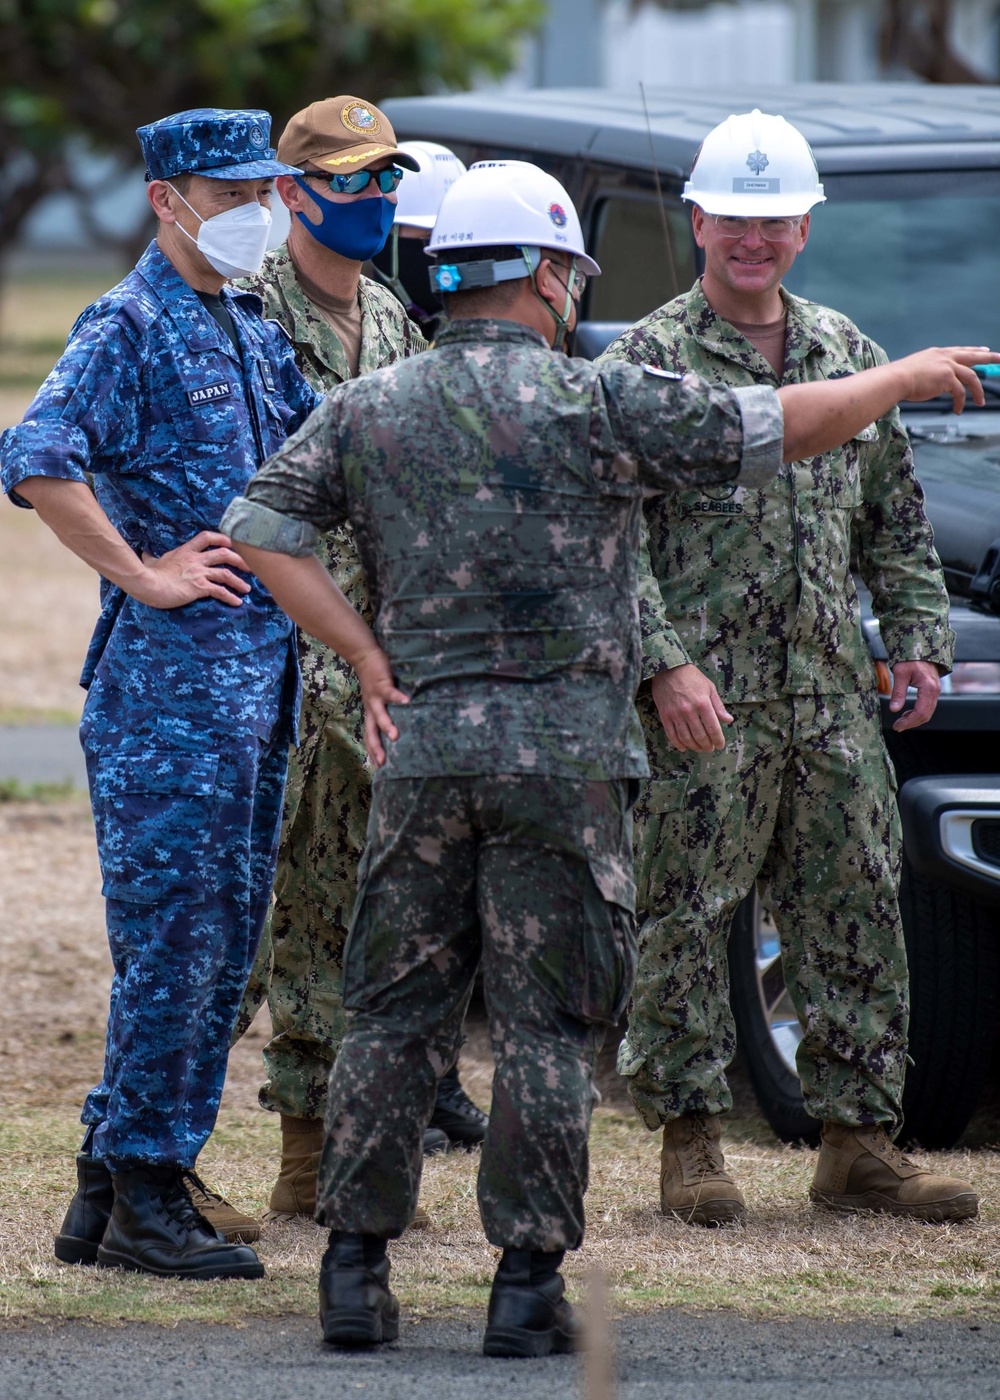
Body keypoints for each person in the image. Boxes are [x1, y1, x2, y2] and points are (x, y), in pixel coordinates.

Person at [219, 159, 990, 1351]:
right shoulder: (599, 400)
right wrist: (894, 376)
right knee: (545, 1025)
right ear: (541, 274)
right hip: (568, 763)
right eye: (570, 273)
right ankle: (524, 1287)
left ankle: (354, 1275)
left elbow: (260, 526)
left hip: (422, 758)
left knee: (392, 1016)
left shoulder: (370, 405)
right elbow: (777, 430)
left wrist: (368, 659)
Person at [600, 109, 980, 1226]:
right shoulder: (647, 362)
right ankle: (689, 1141)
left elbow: (894, 525)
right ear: (698, 220)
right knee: (683, 910)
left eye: (774, 220)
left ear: (804, 227)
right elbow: (608, 542)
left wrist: (916, 637)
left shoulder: (847, 353)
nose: (752, 240)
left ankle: (858, 1141)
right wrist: (663, 667)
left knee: (855, 902)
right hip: (700, 699)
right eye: (734, 220)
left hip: (825, 688)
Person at [0, 108, 322, 1278]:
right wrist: (143, 571)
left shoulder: (244, 317)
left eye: (264, 194)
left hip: (258, 683)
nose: (254, 215)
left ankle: (110, 1181)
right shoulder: (127, 321)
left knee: (222, 939)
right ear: (165, 199)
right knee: (177, 941)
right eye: (230, 195)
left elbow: (312, 456)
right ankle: (145, 1192)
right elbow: (35, 455)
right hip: (169, 698)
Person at [231, 96, 485, 1229]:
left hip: (369, 655)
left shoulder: (388, 316)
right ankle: (205, 1153)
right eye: (348, 182)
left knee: (361, 905)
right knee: (259, 919)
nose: (373, 201)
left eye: (386, 181)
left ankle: (335, 1152)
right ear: (290, 193)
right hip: (255, 657)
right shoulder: (238, 314)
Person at [369, 139, 467, 338]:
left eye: (455, 240)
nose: (444, 254)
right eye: (430, 238)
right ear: (385, 233)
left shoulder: (472, 333)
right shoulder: (358, 334)